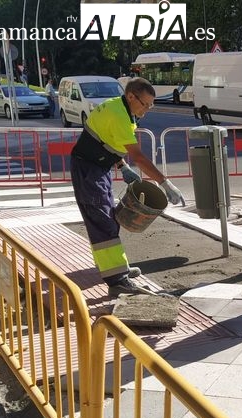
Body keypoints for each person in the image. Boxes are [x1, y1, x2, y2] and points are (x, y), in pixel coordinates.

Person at [70, 77, 185, 297]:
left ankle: (116, 269)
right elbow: (139, 157)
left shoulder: (120, 108)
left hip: (95, 168)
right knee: (103, 223)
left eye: (151, 104)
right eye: (145, 103)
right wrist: (164, 182)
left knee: (107, 220)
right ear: (131, 96)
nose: (148, 109)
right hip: (88, 171)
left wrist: (121, 165)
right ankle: (117, 281)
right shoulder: (118, 114)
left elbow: (104, 140)